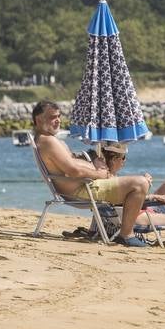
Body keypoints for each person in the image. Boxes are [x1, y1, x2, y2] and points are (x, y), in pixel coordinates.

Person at [32, 100, 148, 246]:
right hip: (81, 191)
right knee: (140, 184)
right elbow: (73, 170)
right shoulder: (48, 141)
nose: (58, 121)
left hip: (81, 188)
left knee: (136, 184)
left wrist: (93, 165)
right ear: (38, 120)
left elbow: (72, 162)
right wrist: (99, 174)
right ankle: (126, 234)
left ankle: (111, 228)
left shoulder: (46, 140)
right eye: (52, 117)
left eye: (59, 116)